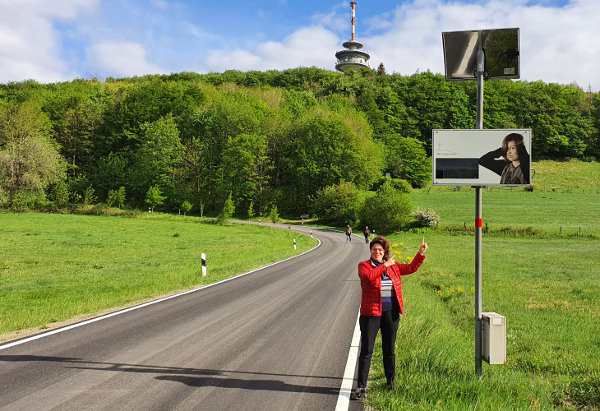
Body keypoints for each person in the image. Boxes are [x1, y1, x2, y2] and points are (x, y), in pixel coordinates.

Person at [351, 235, 428, 401]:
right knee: (366, 350)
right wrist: (385, 265)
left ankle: (390, 383)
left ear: (384, 251)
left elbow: (411, 268)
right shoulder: (364, 266)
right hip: (370, 314)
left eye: (380, 250)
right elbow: (368, 277)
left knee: (389, 350)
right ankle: (361, 387)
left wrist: (420, 254)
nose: (377, 252)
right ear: (371, 251)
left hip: (390, 313)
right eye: (374, 249)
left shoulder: (393, 267)